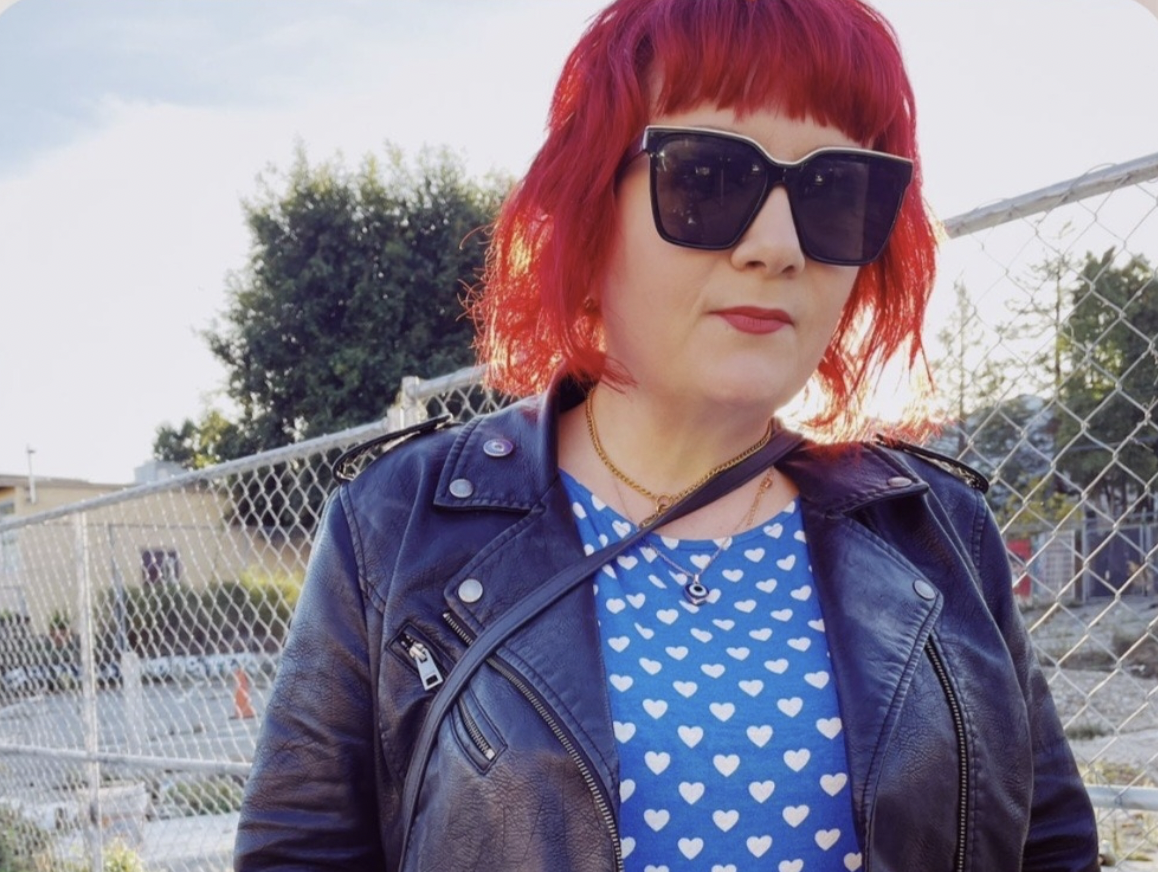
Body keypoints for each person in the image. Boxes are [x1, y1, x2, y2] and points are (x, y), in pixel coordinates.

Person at [235, 0, 1099, 869]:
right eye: (708, 179)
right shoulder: (396, 528)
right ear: (589, 205)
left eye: (835, 193)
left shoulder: (938, 531)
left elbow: (1048, 843)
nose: (777, 245)